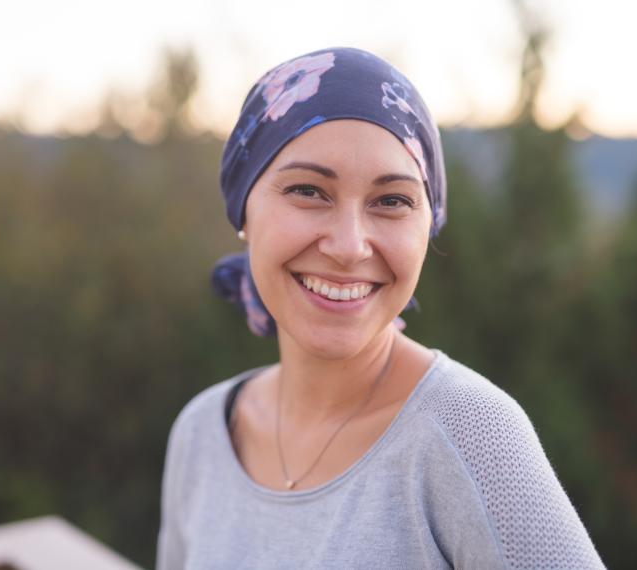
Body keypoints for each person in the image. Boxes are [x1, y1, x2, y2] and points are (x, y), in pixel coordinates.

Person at [156, 47, 605, 569]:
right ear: (244, 213)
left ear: (427, 226)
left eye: (391, 201)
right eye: (308, 191)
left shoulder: (468, 432)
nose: (350, 246)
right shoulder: (202, 433)